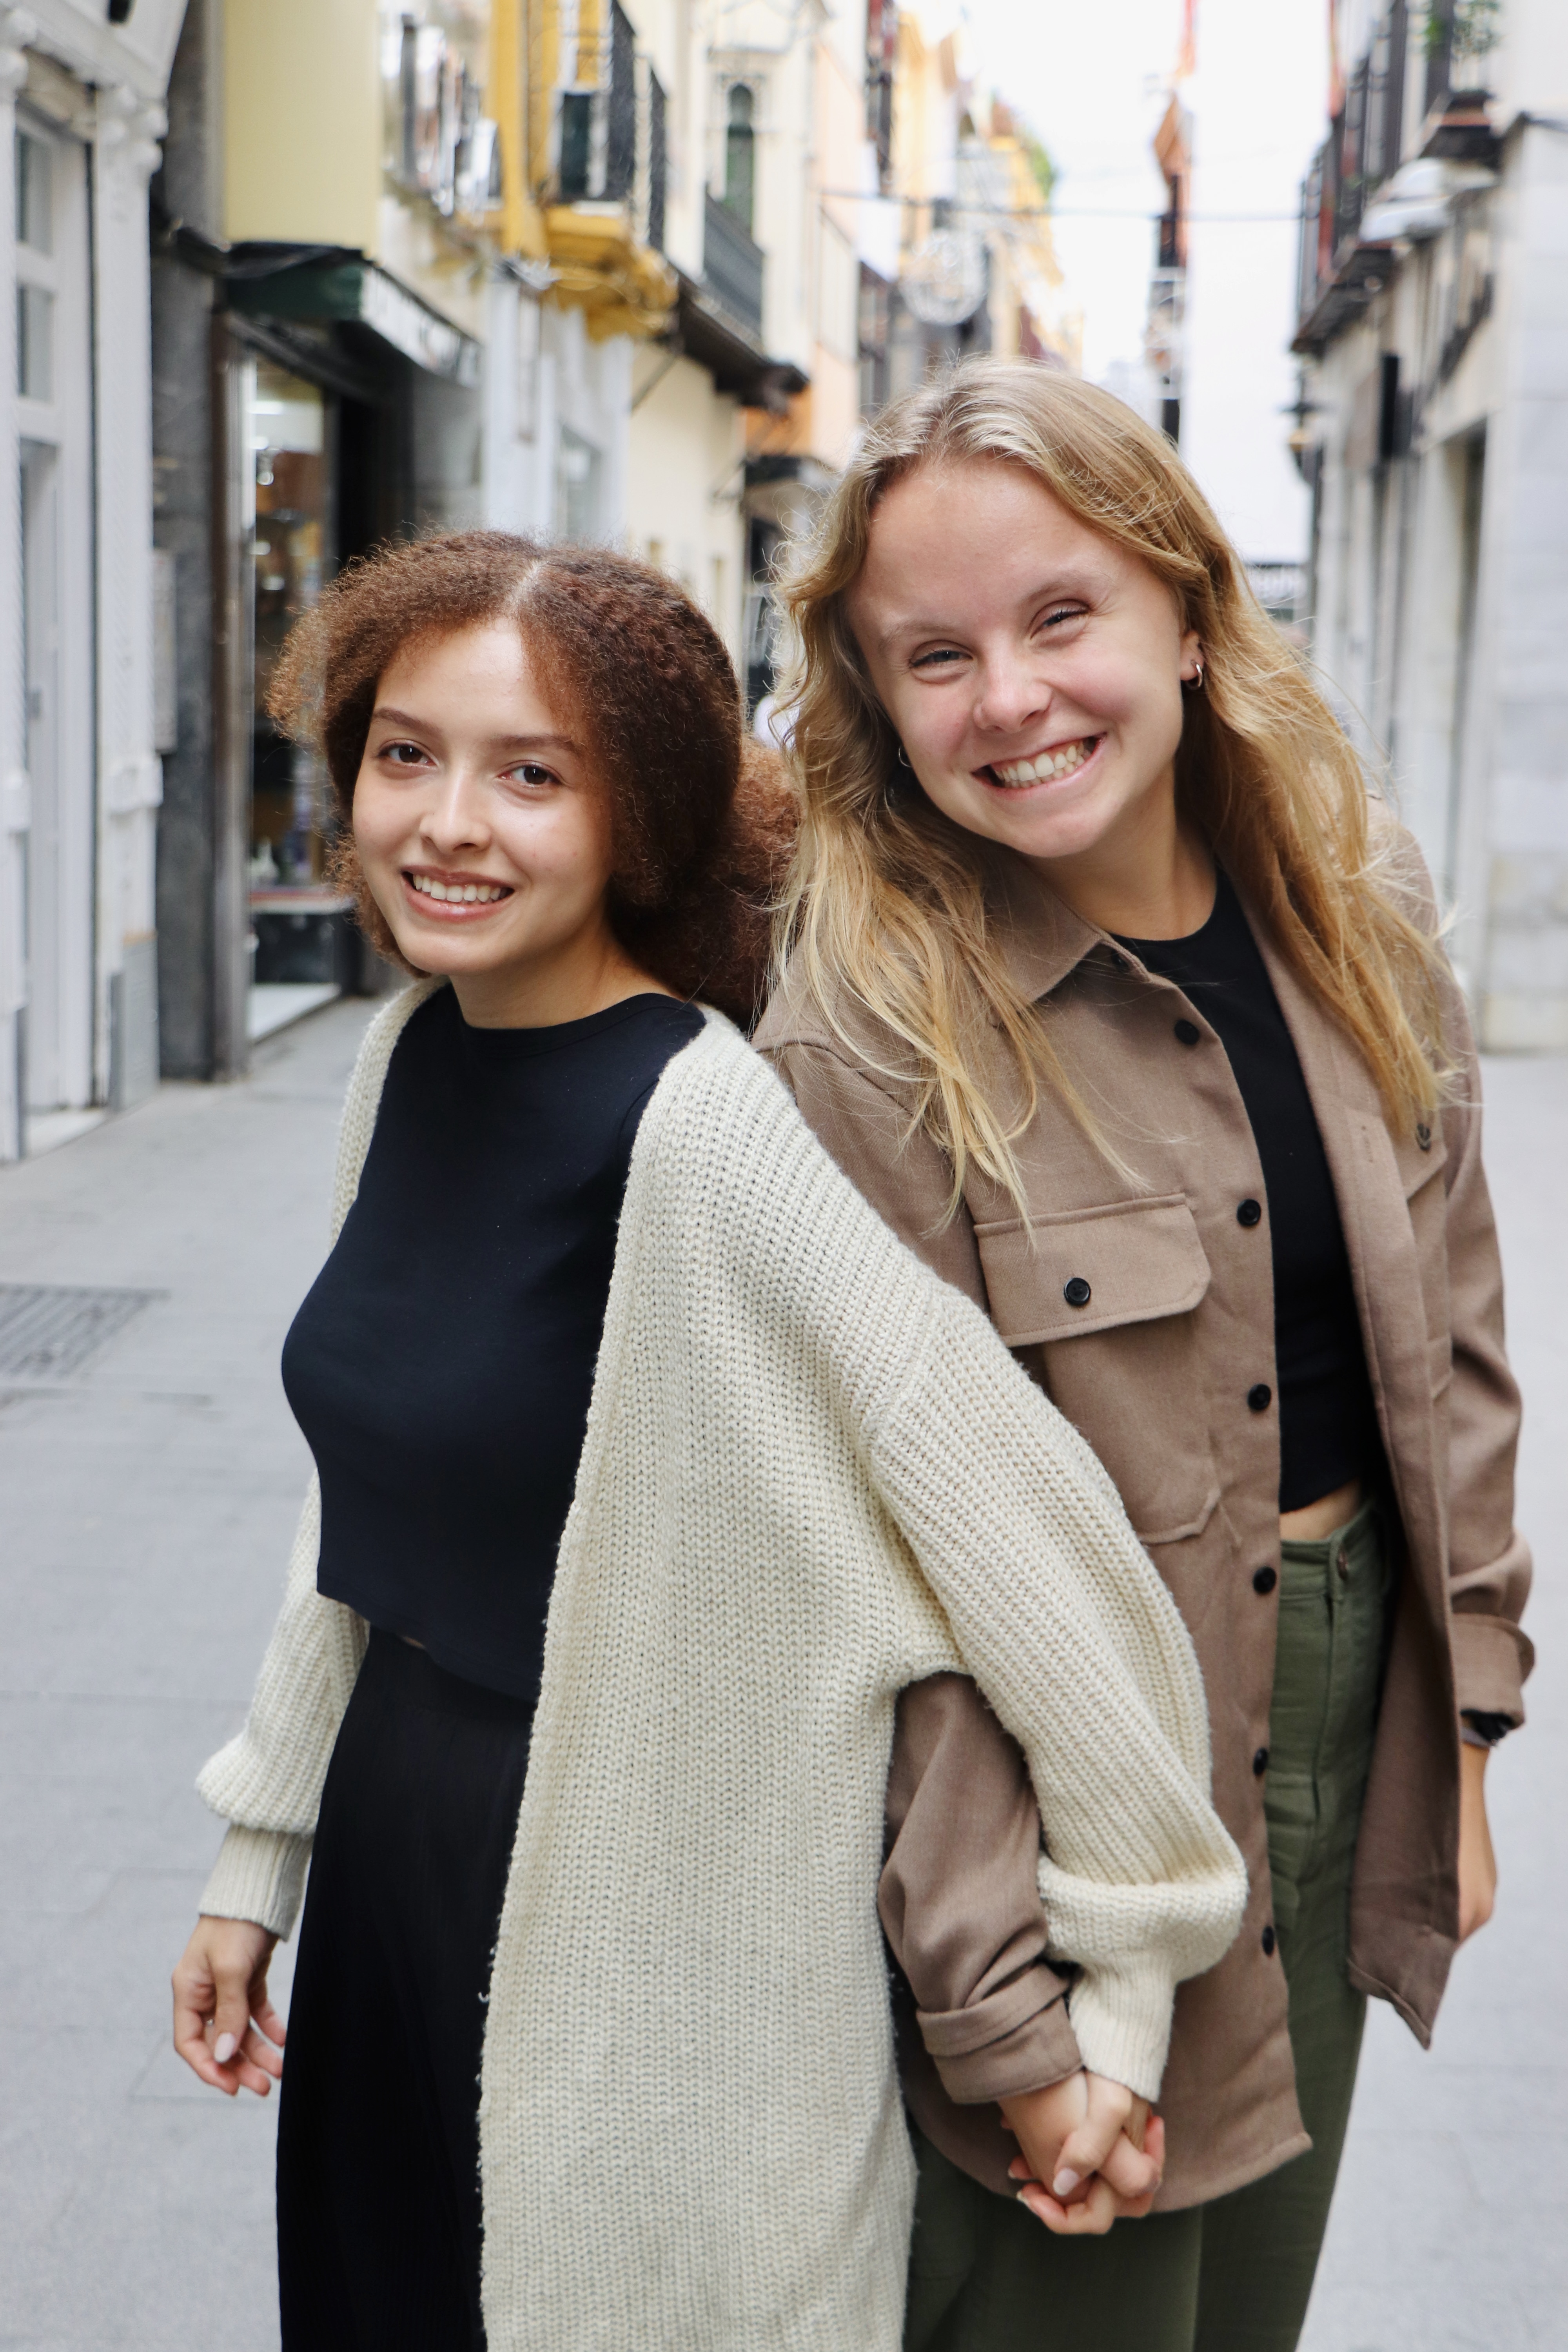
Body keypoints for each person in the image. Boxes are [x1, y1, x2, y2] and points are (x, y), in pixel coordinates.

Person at [169, 530, 1249, 2352]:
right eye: (406, 754)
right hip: (390, 1868)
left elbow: (1027, 1527)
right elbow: (362, 1503)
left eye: (532, 776)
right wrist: (259, 1854)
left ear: (640, 821)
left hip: (628, 1921)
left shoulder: (701, 1125)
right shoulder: (409, 1056)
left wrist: (1125, 1981)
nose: (448, 822)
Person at [753, 361, 1533, 2352]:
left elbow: (1450, 1336)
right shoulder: (866, 1030)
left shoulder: (1358, 899)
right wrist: (1002, 2013)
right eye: (935, 655)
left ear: (1185, 614)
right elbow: (874, 1572)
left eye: (1061, 616)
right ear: (874, 698)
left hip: (1339, 1714)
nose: (1009, 698)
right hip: (1047, 1808)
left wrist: (1456, 1742)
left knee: (1251, 2310)